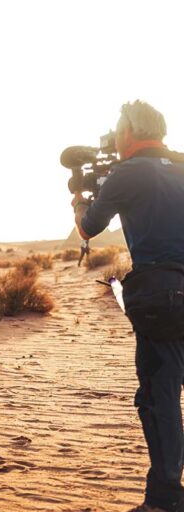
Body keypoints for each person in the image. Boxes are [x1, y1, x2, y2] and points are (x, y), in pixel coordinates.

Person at [72, 100, 184, 512]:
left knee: (160, 394)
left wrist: (80, 200)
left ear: (128, 134)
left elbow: (88, 227)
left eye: (118, 132)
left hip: (162, 295)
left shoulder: (127, 173)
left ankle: (165, 498)